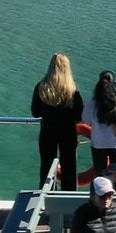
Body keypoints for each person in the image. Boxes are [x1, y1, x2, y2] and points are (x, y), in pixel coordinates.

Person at [31, 53, 83, 191]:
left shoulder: (41, 87)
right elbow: (79, 115)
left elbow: (35, 113)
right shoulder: (73, 91)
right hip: (68, 133)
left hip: (47, 132)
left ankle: (46, 198)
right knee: (69, 167)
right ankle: (68, 199)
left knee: (47, 167)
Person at [81, 72, 116, 192]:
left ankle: (97, 201)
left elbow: (86, 121)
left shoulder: (92, 101)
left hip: (98, 144)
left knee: (99, 176)